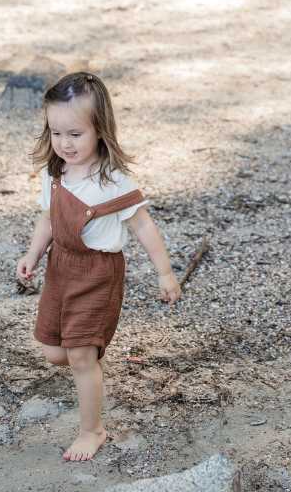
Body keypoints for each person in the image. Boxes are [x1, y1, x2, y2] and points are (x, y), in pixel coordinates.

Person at [17, 72, 181, 462]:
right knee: (53, 353)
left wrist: (165, 272)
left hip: (97, 274)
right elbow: (48, 219)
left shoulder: (114, 182)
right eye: (56, 133)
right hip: (61, 269)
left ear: (100, 130)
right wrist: (33, 254)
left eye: (75, 134)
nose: (65, 144)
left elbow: (143, 224)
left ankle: (93, 430)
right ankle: (87, 351)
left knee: (78, 358)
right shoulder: (54, 174)